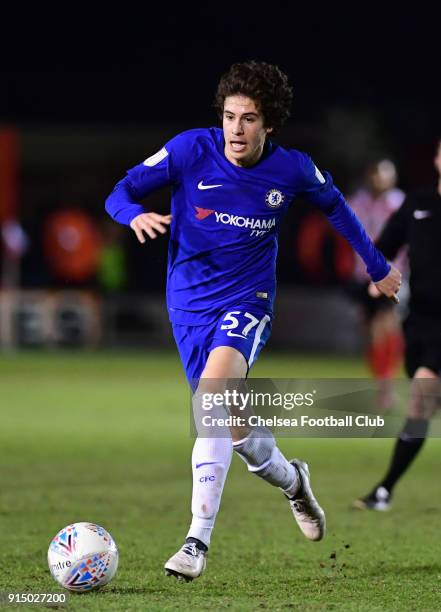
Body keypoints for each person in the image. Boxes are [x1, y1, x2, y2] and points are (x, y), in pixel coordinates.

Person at [105, 61, 401, 580]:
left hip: (249, 299)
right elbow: (119, 192)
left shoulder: (292, 169)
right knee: (234, 426)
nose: (235, 130)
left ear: (270, 126)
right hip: (188, 305)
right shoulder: (188, 150)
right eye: (229, 116)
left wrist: (377, 267)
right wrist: (135, 216)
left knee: (212, 399)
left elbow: (336, 209)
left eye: (248, 119)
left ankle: (196, 541)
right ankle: (294, 483)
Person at [354, 138, 441, 511]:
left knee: (422, 393)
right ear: (437, 158)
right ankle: (384, 490)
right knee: (422, 408)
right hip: (419, 321)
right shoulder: (419, 203)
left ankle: (384, 489)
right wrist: (378, 277)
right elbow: (385, 245)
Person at [347, 160, 406, 408]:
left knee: (386, 327)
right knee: (371, 333)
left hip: (392, 274)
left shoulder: (399, 203)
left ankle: (387, 387)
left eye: (384, 175)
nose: (379, 180)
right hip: (362, 276)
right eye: (375, 174)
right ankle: (383, 385)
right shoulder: (356, 202)